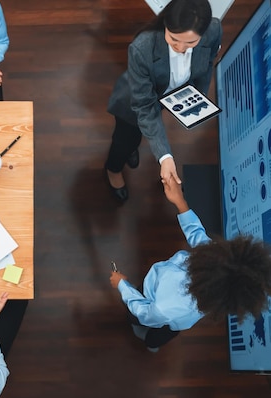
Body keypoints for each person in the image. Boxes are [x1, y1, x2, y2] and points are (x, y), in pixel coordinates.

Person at [109, 177, 271, 352]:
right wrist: (180, 202)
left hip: (151, 301)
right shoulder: (219, 270)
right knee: (170, 330)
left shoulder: (166, 305)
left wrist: (122, 285)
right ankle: (154, 342)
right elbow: (198, 236)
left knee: (143, 324)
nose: (212, 249)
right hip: (179, 321)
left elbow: (144, 312)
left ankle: (149, 342)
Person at [104, 0, 222, 202]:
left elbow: (208, 62)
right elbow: (144, 106)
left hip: (169, 97)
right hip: (133, 102)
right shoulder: (142, 48)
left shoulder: (213, 29)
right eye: (174, 39)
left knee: (141, 136)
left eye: (191, 43)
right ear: (166, 24)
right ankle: (113, 169)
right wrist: (165, 157)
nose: (181, 48)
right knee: (125, 140)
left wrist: (196, 96)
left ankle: (132, 149)